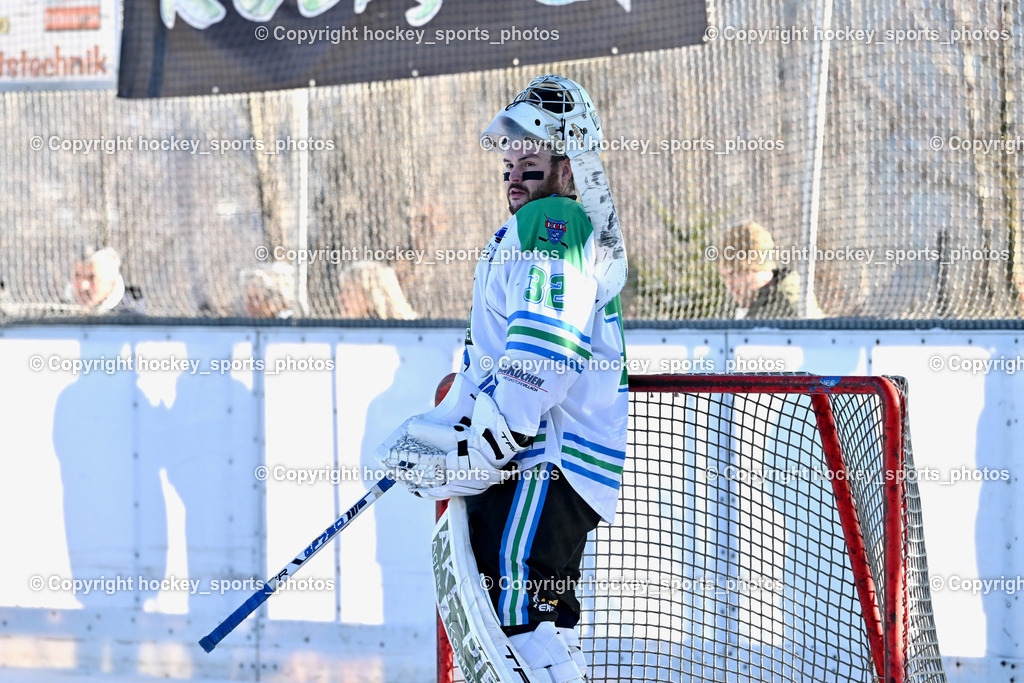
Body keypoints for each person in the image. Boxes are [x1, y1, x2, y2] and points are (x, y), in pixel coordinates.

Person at [377, 75, 627, 682]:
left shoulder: (554, 220)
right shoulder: (543, 227)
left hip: (540, 462)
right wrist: (448, 427)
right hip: (540, 464)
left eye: (530, 165)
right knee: (533, 627)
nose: (514, 177)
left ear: (568, 166)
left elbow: (544, 345)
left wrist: (491, 439)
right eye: (509, 166)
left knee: (520, 630)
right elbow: (494, 358)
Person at [715, 221, 820, 319]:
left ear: (759, 269)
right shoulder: (730, 309)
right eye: (725, 276)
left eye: (736, 274)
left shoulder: (787, 307)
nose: (730, 284)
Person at [67, 246, 146, 315]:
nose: (83, 286)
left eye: (92, 278)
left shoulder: (131, 320)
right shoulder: (62, 314)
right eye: (78, 277)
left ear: (112, 283)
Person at [336, 262, 417, 319]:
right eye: (343, 290)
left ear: (372, 294)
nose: (341, 297)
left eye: (349, 291)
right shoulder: (341, 334)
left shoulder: (410, 332)